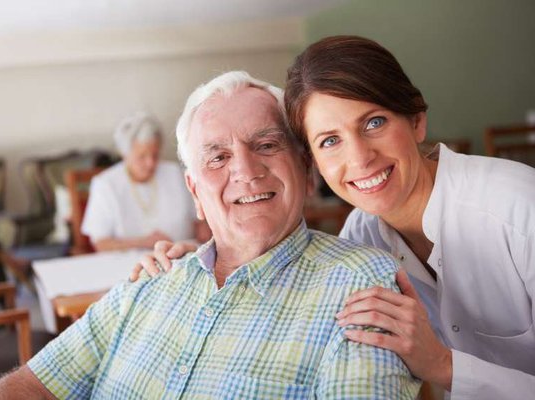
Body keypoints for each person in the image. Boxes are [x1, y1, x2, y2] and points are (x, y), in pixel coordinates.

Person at [134, 37, 535, 399]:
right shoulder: (362, 238)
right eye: (330, 141)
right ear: (314, 164)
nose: (359, 159)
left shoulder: (519, 208)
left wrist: (444, 366)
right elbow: (295, 279)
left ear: (416, 120)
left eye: (374, 123)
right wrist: (210, 263)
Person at [0, 71, 420, 399]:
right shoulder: (147, 284)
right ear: (195, 191)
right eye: (217, 157)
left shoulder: (361, 285)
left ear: (306, 170)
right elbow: (27, 386)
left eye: (266, 145)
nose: (246, 171)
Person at [81, 112, 206, 252]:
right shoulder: (105, 184)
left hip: (182, 257)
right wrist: (144, 242)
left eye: (155, 155)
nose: (150, 163)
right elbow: (101, 243)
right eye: (142, 156)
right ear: (125, 154)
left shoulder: (175, 173)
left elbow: (200, 223)